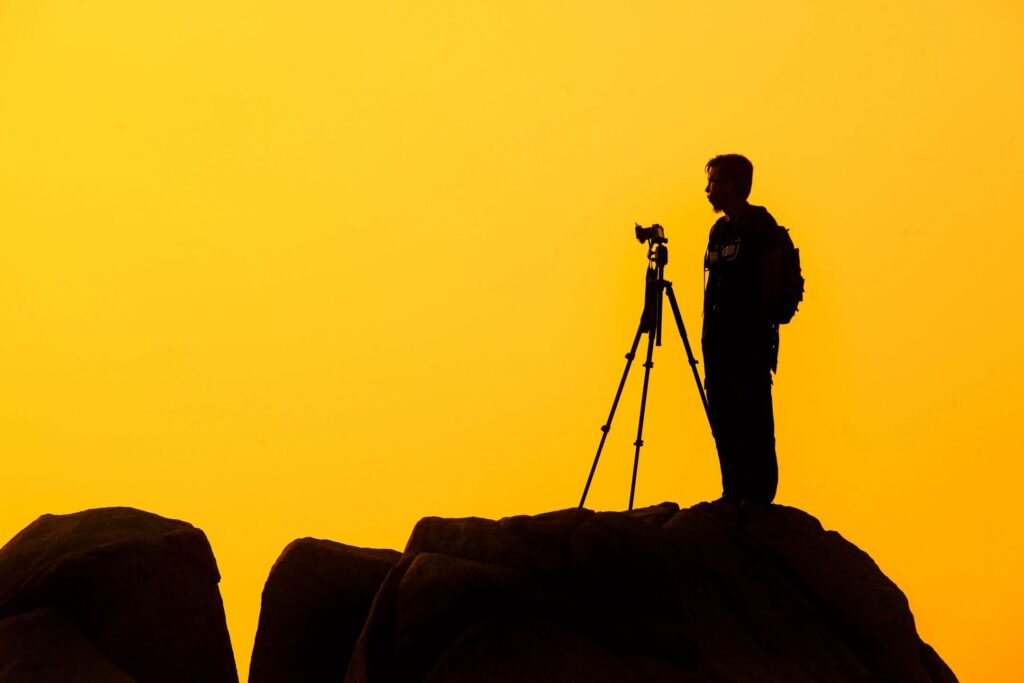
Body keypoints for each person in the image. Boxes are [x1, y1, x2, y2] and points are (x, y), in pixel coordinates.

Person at [701, 154, 788, 506]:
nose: (708, 190)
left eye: (714, 182)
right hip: (718, 343)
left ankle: (760, 495)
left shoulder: (760, 224)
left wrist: (763, 322)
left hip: (749, 342)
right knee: (723, 417)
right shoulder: (719, 231)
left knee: (753, 416)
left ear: (733, 185)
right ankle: (733, 490)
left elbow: (773, 275)